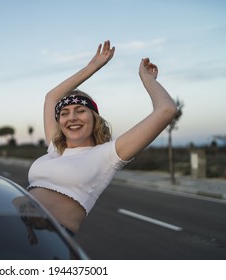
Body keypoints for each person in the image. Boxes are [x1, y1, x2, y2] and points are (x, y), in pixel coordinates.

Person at [27, 40, 177, 236]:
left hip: (48, 238)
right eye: (64, 113)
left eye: (80, 111)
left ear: (94, 119)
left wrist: (148, 79)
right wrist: (93, 66)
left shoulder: (107, 155)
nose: (71, 117)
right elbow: (51, 98)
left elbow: (166, 110)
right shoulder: (55, 148)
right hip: (13, 225)